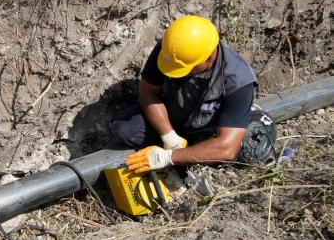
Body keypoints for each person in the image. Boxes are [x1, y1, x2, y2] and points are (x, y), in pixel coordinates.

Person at [108, 15, 260, 173]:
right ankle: (173, 150)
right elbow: (148, 92)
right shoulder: (170, 53)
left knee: (215, 161)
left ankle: (180, 164)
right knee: (124, 130)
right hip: (171, 121)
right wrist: (169, 137)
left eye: (185, 70)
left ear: (208, 58)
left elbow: (226, 148)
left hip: (206, 133)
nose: (177, 73)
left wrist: (168, 157)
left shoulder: (238, 81)